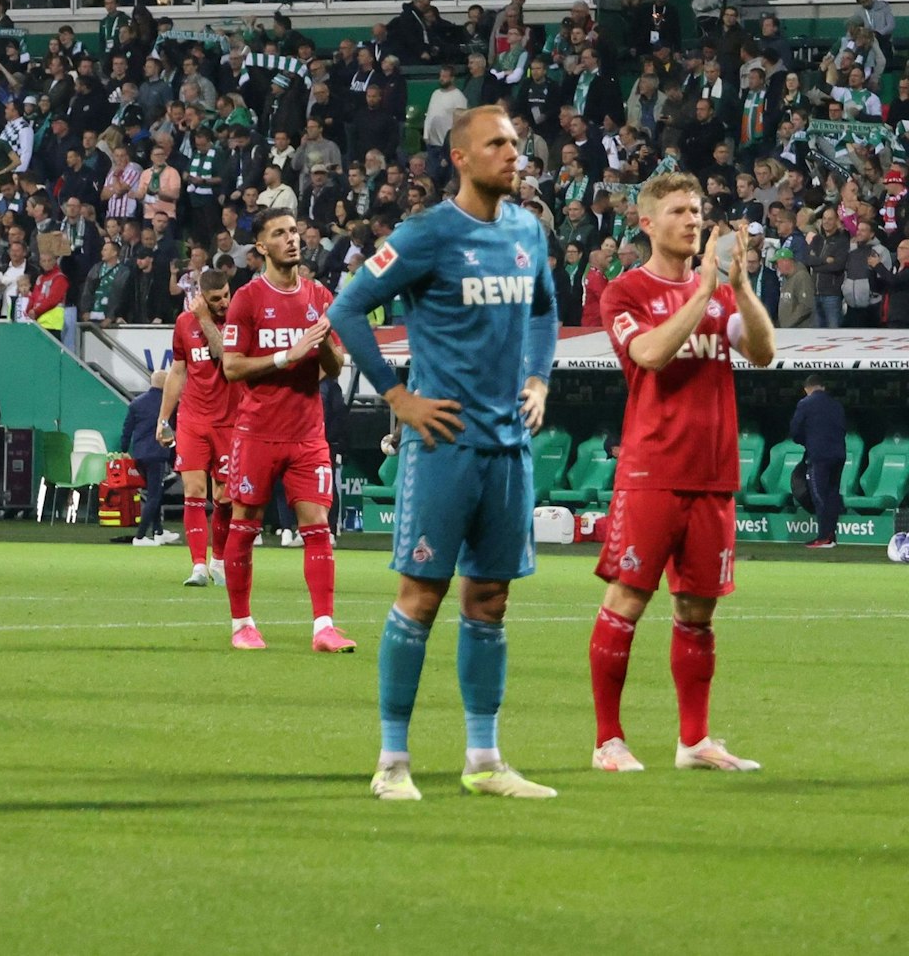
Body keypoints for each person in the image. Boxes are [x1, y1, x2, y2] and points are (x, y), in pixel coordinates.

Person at [329, 106, 560, 802]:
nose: (512, 154)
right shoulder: (426, 234)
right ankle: (392, 760)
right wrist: (398, 399)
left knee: (489, 599)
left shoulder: (527, 230)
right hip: (443, 447)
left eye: (516, 144)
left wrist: (539, 377)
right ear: (460, 156)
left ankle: (484, 759)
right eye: (497, 144)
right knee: (421, 597)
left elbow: (545, 312)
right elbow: (346, 309)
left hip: (508, 445)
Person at [591, 177, 775, 774]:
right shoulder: (626, 292)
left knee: (698, 610)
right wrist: (703, 293)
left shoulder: (720, 295)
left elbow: (764, 353)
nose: (692, 219)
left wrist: (741, 291)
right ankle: (608, 741)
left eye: (697, 210)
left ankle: (694, 741)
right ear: (648, 222)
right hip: (652, 470)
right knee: (628, 600)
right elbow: (648, 355)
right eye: (678, 210)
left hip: (714, 474)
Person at [219, 212, 357, 653]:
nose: (291, 239)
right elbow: (232, 366)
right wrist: (286, 355)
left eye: (294, 231)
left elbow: (334, 366)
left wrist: (323, 347)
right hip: (257, 432)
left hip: (307, 433)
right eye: (279, 234)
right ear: (261, 247)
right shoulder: (247, 298)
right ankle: (242, 624)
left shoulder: (319, 295)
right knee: (245, 524)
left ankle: (324, 627)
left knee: (317, 524)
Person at [155, 267, 239, 588]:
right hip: (193, 419)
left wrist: (205, 319)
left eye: (226, 296)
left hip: (230, 421)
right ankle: (198, 566)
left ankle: (218, 559)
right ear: (202, 296)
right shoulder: (182, 325)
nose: (223, 303)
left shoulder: (237, 321)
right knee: (193, 491)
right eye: (215, 299)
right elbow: (177, 372)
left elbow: (223, 354)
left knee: (226, 498)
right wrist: (164, 419)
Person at [790, 376, 849, 549]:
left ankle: (824, 537)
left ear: (807, 388)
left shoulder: (805, 404)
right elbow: (843, 428)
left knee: (819, 496)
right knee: (832, 494)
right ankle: (831, 536)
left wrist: (807, 442)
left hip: (819, 456)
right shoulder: (836, 405)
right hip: (839, 455)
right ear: (823, 387)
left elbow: (795, 431)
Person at [124, 369, 173, 545]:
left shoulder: (136, 403)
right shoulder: (167, 404)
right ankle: (140, 536)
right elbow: (172, 430)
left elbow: (126, 430)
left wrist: (124, 451)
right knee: (154, 495)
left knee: (154, 494)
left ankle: (158, 532)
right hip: (157, 454)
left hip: (139, 455)